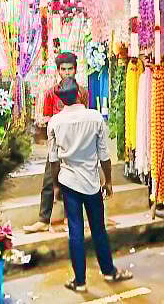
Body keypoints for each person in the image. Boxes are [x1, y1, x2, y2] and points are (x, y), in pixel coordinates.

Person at [48, 77, 133, 292]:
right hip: (91, 183)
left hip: (68, 182)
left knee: (75, 231)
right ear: (79, 94)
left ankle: (80, 282)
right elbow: (104, 155)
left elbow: (53, 160)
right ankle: (109, 271)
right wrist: (109, 181)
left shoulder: (55, 122)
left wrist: (56, 186)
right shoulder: (95, 118)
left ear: (61, 99)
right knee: (98, 229)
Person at [23, 52, 88, 234]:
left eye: (70, 69)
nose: (67, 72)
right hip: (56, 145)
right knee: (49, 182)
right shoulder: (50, 93)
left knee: (73, 182)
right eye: (63, 69)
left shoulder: (83, 93)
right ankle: (43, 220)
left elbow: (85, 117)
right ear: (58, 71)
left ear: (75, 70)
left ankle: (70, 219)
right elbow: (47, 120)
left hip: (76, 145)